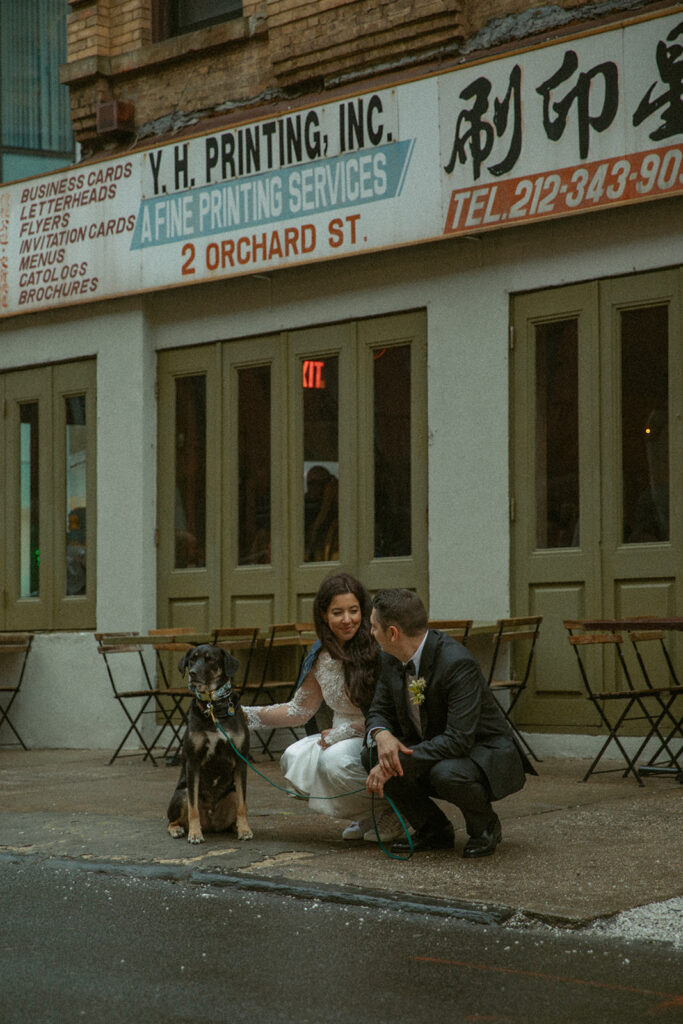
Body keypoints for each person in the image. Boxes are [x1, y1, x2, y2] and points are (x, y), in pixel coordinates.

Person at [363, 589, 535, 857]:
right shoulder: (390, 657)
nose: (371, 633)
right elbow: (378, 710)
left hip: (480, 751)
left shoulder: (457, 663)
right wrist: (382, 734)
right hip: (434, 744)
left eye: (374, 627)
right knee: (373, 754)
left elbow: (459, 739)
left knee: (445, 773)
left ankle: (485, 827)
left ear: (393, 633)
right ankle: (433, 829)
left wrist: (399, 760)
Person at [243, 573, 401, 842]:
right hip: (336, 735)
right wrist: (243, 716)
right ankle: (366, 814)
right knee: (295, 758)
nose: (347, 620)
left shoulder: (377, 648)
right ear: (324, 615)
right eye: (337, 612)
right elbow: (299, 710)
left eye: (354, 611)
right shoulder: (321, 652)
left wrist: (345, 732)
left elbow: (391, 715)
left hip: (374, 734)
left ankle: (396, 812)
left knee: (333, 762)